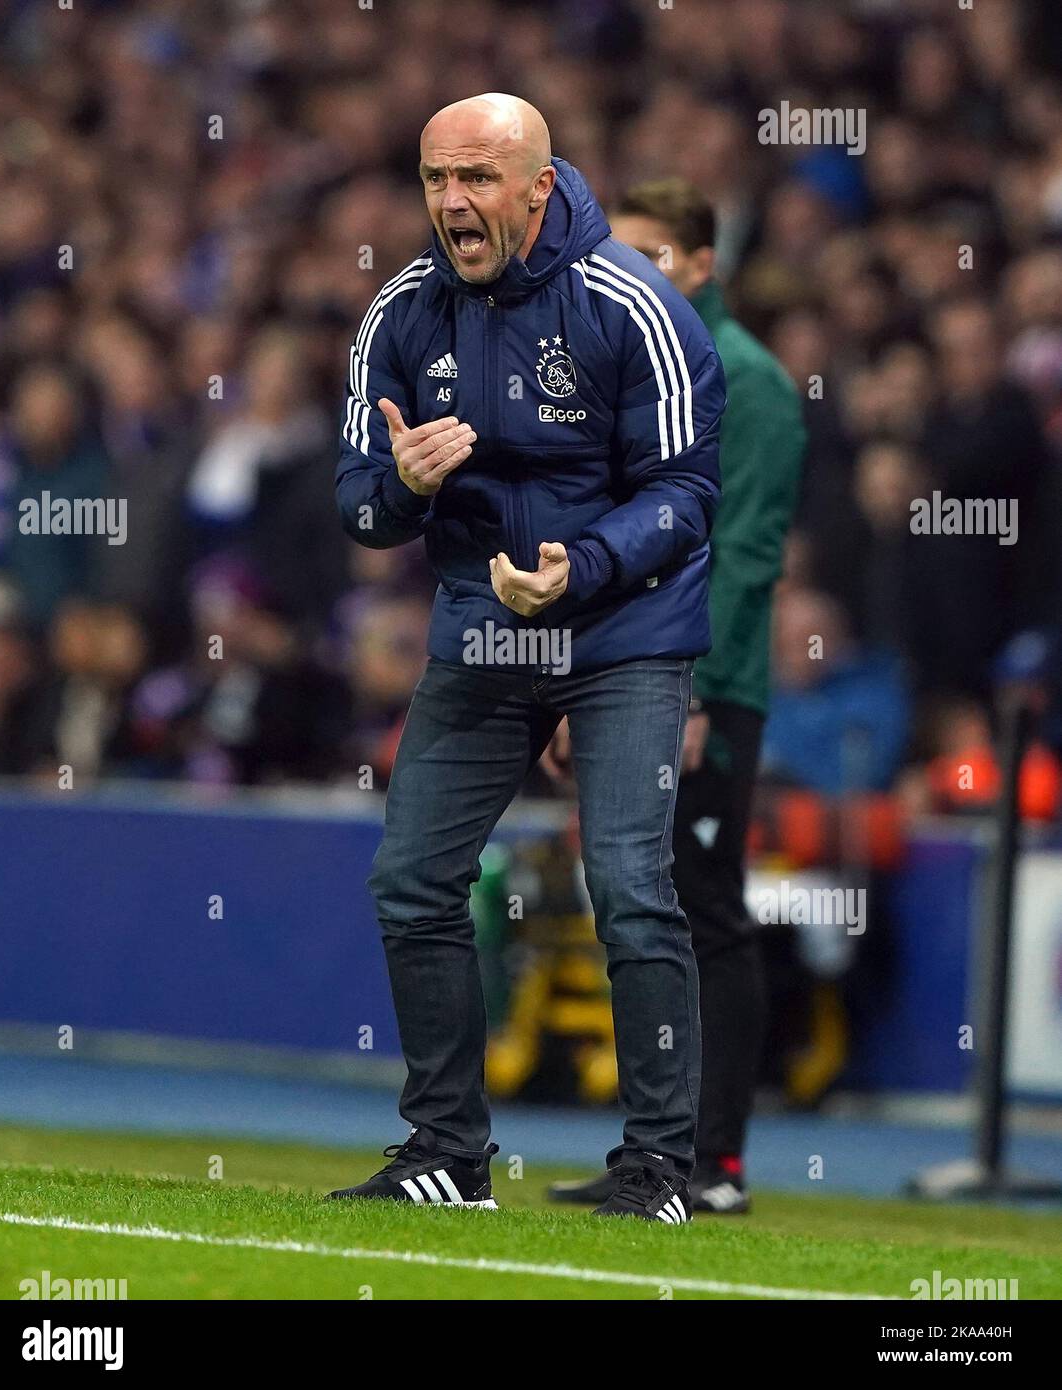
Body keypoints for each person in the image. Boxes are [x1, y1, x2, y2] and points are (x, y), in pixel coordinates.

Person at [329, 96, 724, 1222]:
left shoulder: (631, 304)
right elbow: (356, 510)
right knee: (411, 879)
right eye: (435, 179)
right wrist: (401, 488)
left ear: (539, 186)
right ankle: (447, 1152)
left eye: (478, 179)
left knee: (633, 890)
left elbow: (688, 494)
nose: (453, 202)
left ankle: (659, 1169)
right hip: (483, 631)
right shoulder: (399, 318)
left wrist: (580, 570)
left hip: (622, 636)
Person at [546, 179, 804, 1213]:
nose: (634, 271)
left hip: (705, 684)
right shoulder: (631, 366)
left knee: (702, 904)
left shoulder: (752, 383)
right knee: (638, 901)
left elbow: (740, 556)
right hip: (626, 671)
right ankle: (655, 1152)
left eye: (654, 255)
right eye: (625, 251)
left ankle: (716, 1161)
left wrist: (696, 694)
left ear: (703, 264)